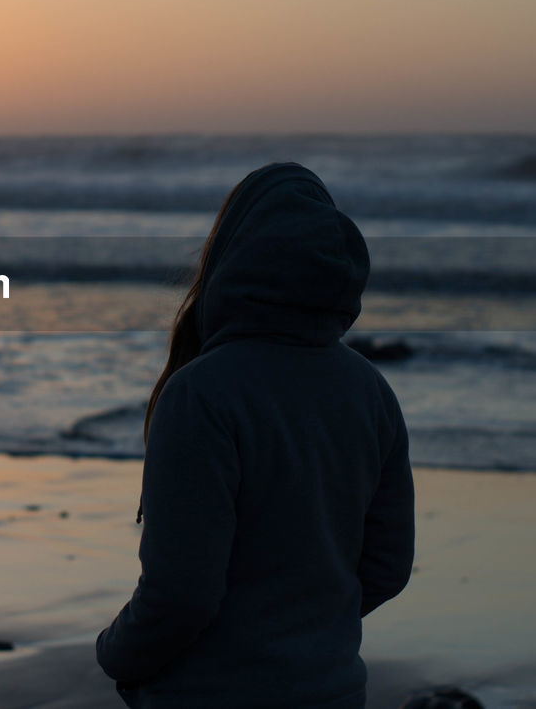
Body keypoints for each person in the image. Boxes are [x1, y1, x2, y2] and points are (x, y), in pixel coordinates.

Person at [95, 162, 415, 708]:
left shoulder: (203, 392)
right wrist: (303, 634)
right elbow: (387, 566)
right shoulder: (369, 389)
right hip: (332, 691)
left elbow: (181, 594)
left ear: (231, 256)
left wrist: (116, 653)